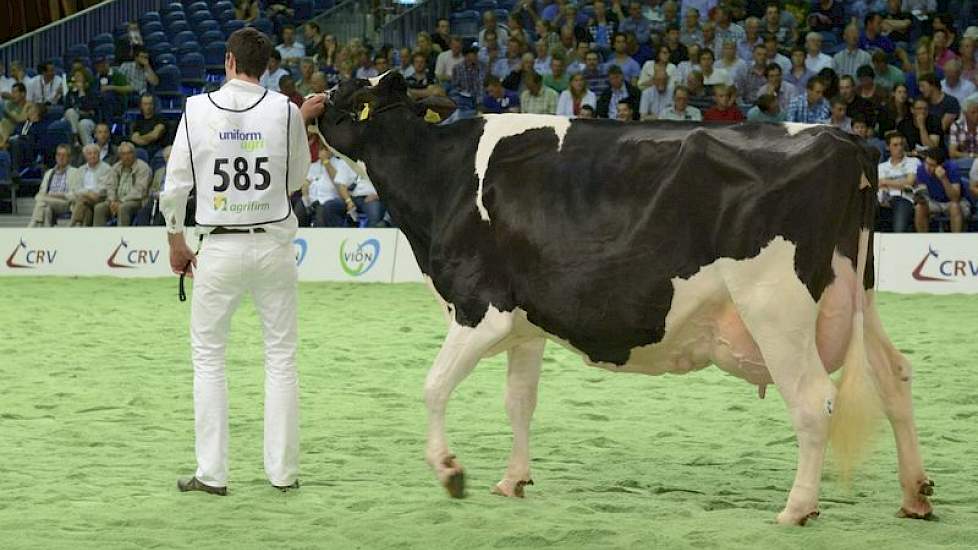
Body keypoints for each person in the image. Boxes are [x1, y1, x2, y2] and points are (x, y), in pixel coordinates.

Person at [160, 27, 324, 496]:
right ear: (267, 65)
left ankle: (212, 473)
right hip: (272, 244)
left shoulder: (195, 110)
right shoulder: (285, 110)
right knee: (281, 358)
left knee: (209, 359)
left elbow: (174, 188)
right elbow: (295, 179)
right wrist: (299, 119)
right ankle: (283, 474)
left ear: (229, 61)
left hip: (219, 246)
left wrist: (176, 239)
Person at [93, 142, 151, 227]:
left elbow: (140, 190)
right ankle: (98, 237)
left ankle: (121, 236)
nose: (127, 157)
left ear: (134, 154)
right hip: (116, 201)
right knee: (99, 208)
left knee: (123, 208)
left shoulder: (143, 167)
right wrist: (112, 200)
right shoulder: (116, 167)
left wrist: (121, 201)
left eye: (129, 153)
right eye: (123, 154)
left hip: (136, 201)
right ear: (120, 156)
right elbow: (110, 186)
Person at [914, 147, 971, 233]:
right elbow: (923, 192)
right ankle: (923, 241)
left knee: (954, 206)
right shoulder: (921, 169)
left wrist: (944, 179)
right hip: (934, 201)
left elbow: (955, 198)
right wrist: (919, 198)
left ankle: (956, 242)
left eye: (932, 165)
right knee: (919, 207)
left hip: (955, 202)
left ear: (941, 165)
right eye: (927, 163)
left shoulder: (952, 168)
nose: (928, 168)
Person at [28, 144, 79, 227]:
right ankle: (48, 233)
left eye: (64, 155)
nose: (61, 157)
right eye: (59, 155)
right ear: (55, 157)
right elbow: (42, 191)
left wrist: (59, 195)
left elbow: (75, 194)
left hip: (66, 202)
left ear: (69, 158)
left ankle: (31, 227)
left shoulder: (75, 172)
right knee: (46, 209)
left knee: (40, 200)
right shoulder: (49, 173)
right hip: (49, 201)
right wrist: (46, 196)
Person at [877, 132, 919, 233]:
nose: (899, 148)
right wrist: (898, 183)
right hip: (884, 200)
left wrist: (886, 181)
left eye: (901, 144)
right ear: (888, 147)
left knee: (899, 228)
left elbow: (910, 182)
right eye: (895, 145)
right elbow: (880, 185)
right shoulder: (882, 167)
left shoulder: (913, 161)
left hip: (905, 198)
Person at [70, 143, 112, 227]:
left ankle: (72, 225)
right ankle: (81, 228)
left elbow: (103, 188)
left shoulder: (106, 168)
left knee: (82, 200)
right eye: (89, 154)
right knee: (85, 208)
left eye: (95, 153)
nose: (92, 156)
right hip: (84, 198)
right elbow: (75, 188)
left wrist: (87, 193)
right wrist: (87, 193)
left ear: (99, 155)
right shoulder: (80, 170)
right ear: (85, 156)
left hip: (100, 198)